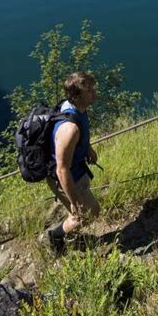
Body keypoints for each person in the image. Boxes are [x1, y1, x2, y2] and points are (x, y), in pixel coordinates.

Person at [46, 71, 101, 251]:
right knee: (89, 212)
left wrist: (88, 148)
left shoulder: (76, 108)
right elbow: (61, 170)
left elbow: (80, 133)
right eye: (89, 90)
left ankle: (67, 230)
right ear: (77, 96)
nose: (94, 92)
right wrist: (74, 201)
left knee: (85, 212)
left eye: (93, 88)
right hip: (68, 176)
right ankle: (56, 236)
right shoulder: (69, 129)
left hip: (76, 169)